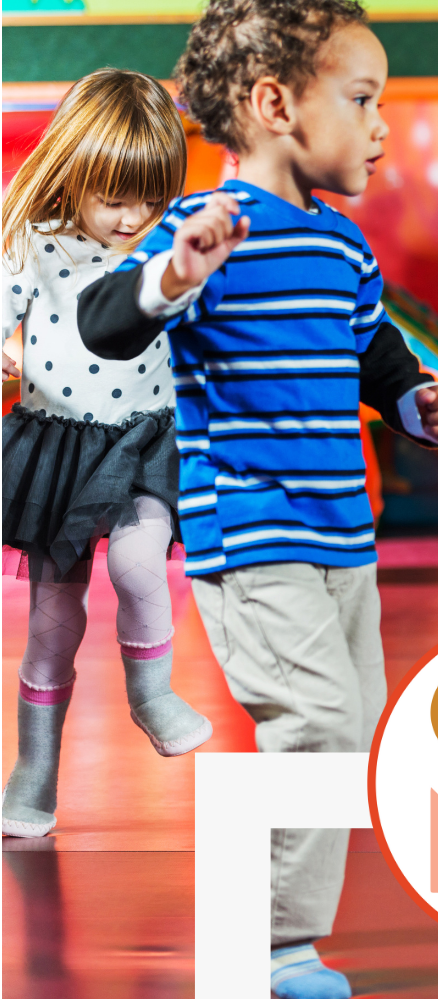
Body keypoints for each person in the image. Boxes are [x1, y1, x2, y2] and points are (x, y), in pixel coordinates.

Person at [76, 0, 438, 999]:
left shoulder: (341, 242)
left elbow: (373, 349)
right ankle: (274, 941)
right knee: (319, 721)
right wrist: (174, 276)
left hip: (344, 534)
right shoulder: (204, 227)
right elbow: (107, 320)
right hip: (250, 531)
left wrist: (413, 400)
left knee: (353, 723)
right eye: (363, 99)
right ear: (275, 104)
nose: (381, 126)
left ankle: (276, 925)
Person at [2, 70, 213, 839]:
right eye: (115, 198)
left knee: (137, 564)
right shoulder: (36, 243)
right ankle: (34, 771)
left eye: (149, 199)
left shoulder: (164, 245)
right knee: (53, 624)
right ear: (74, 170)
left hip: (142, 440)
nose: (132, 218)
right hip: (59, 446)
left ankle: (151, 694)